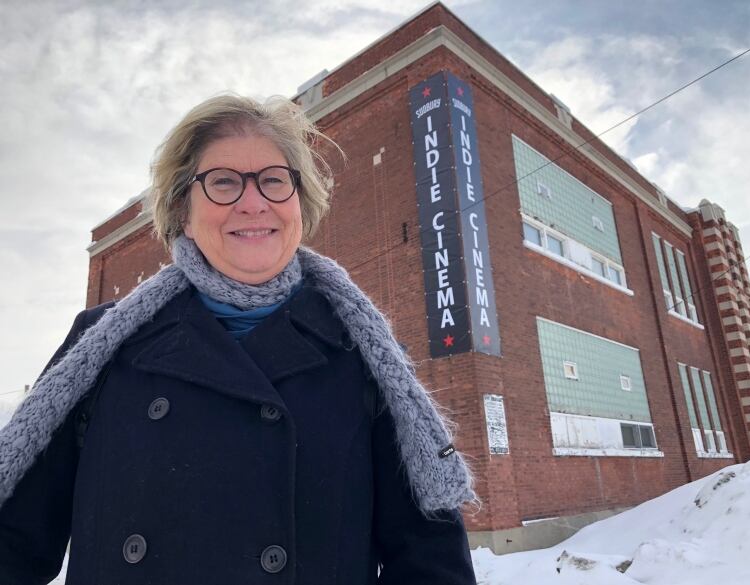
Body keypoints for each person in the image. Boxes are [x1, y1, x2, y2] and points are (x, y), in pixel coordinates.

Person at [0, 94, 478, 584]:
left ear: (299, 204)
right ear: (183, 210)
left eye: (273, 180)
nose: (253, 202)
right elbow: (12, 544)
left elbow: (429, 563)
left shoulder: (368, 357)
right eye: (223, 182)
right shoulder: (99, 345)